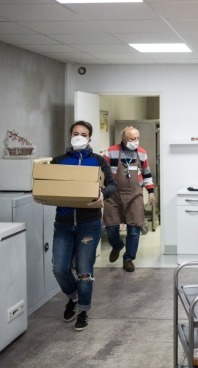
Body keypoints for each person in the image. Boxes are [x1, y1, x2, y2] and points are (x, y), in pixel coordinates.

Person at [41, 121, 117, 331]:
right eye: (76, 133)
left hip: (88, 224)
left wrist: (102, 194)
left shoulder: (98, 161)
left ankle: (83, 309)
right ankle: (73, 297)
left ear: (90, 138)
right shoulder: (59, 161)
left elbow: (112, 185)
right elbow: (47, 185)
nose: (79, 137)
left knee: (84, 271)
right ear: (70, 135)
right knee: (59, 269)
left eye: (84, 134)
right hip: (64, 224)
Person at [103, 126, 155, 273]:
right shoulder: (111, 151)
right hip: (113, 194)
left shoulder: (142, 153)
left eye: (137, 138)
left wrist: (151, 192)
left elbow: (147, 174)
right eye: (132, 139)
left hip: (134, 194)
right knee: (111, 227)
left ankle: (128, 259)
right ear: (123, 139)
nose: (136, 141)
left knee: (134, 228)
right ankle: (117, 245)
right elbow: (102, 173)